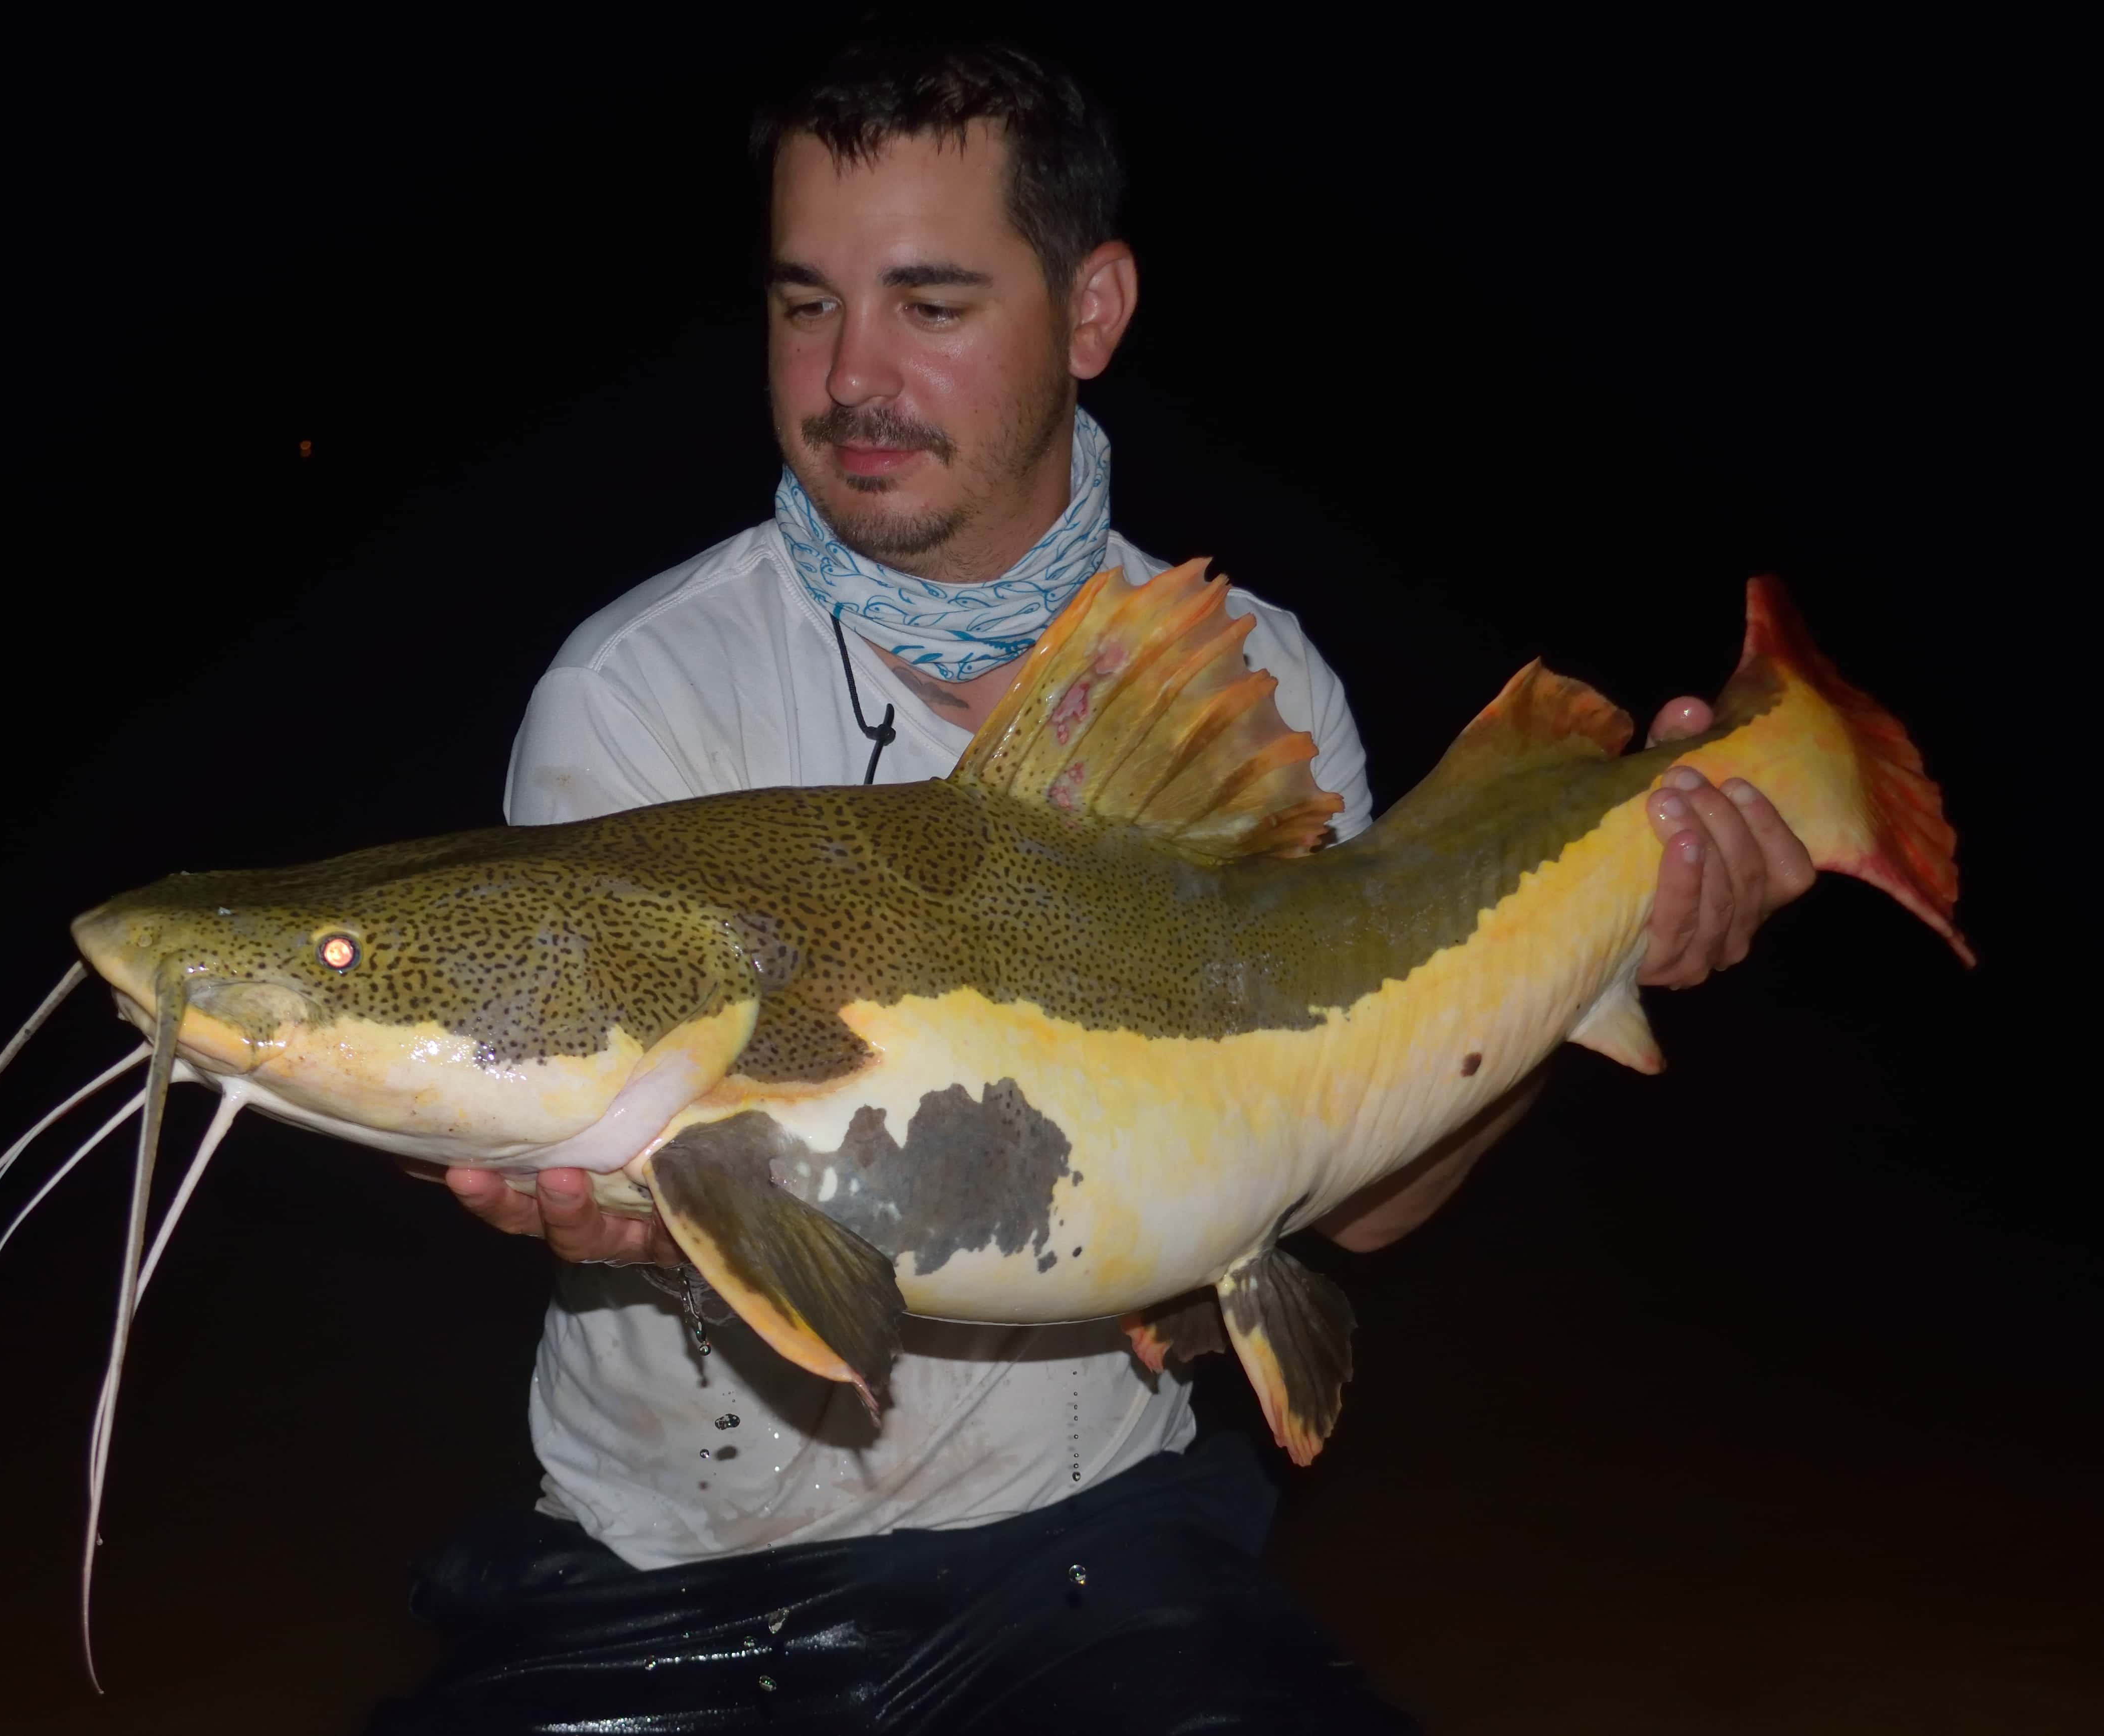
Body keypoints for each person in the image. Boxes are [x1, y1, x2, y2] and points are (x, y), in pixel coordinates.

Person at [373, 36, 1813, 1734]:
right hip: (664, 1568)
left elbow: (1354, 1193)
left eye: (931, 302)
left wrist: (1585, 961)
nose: (850, 379)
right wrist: (648, 1230)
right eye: (804, 304)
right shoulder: (636, 695)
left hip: (1094, 1561)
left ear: (1095, 308)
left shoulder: (1240, 685)